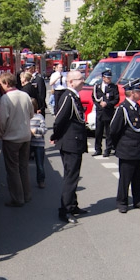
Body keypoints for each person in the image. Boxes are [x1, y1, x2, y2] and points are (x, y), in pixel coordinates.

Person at [51, 69, 87, 224]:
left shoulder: (74, 96)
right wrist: (55, 135)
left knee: (73, 175)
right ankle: (65, 210)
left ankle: (72, 205)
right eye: (80, 79)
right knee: (70, 178)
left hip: (76, 142)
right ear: (71, 82)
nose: (83, 81)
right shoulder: (68, 96)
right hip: (71, 142)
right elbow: (59, 119)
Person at [109, 78, 140, 213]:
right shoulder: (123, 108)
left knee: (139, 177)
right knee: (125, 179)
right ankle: (122, 202)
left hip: (138, 149)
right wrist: (119, 146)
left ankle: (138, 200)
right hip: (127, 149)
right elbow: (114, 130)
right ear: (132, 93)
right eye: (139, 91)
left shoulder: (136, 107)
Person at [0, 73, 35, 207]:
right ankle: (27, 194)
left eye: (1, 84)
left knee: (13, 170)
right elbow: (31, 114)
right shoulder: (25, 95)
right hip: (25, 136)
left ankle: (18, 199)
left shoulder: (5, 99)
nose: (0, 87)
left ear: (6, 83)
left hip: (12, 139)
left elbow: (1, 121)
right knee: (23, 167)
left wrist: (0, 135)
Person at [92, 69, 120, 157]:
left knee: (109, 132)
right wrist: (99, 105)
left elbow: (116, 99)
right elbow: (94, 97)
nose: (109, 79)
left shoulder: (113, 87)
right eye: (107, 78)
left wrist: (107, 104)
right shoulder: (97, 87)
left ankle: (108, 149)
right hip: (100, 112)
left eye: (110, 78)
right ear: (103, 78)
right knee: (98, 132)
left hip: (109, 112)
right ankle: (97, 149)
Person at [30, 109, 47, 189]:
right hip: (28, 143)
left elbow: (44, 130)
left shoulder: (39, 117)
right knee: (23, 164)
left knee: (40, 164)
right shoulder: (25, 116)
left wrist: (35, 130)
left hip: (39, 143)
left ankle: (41, 181)